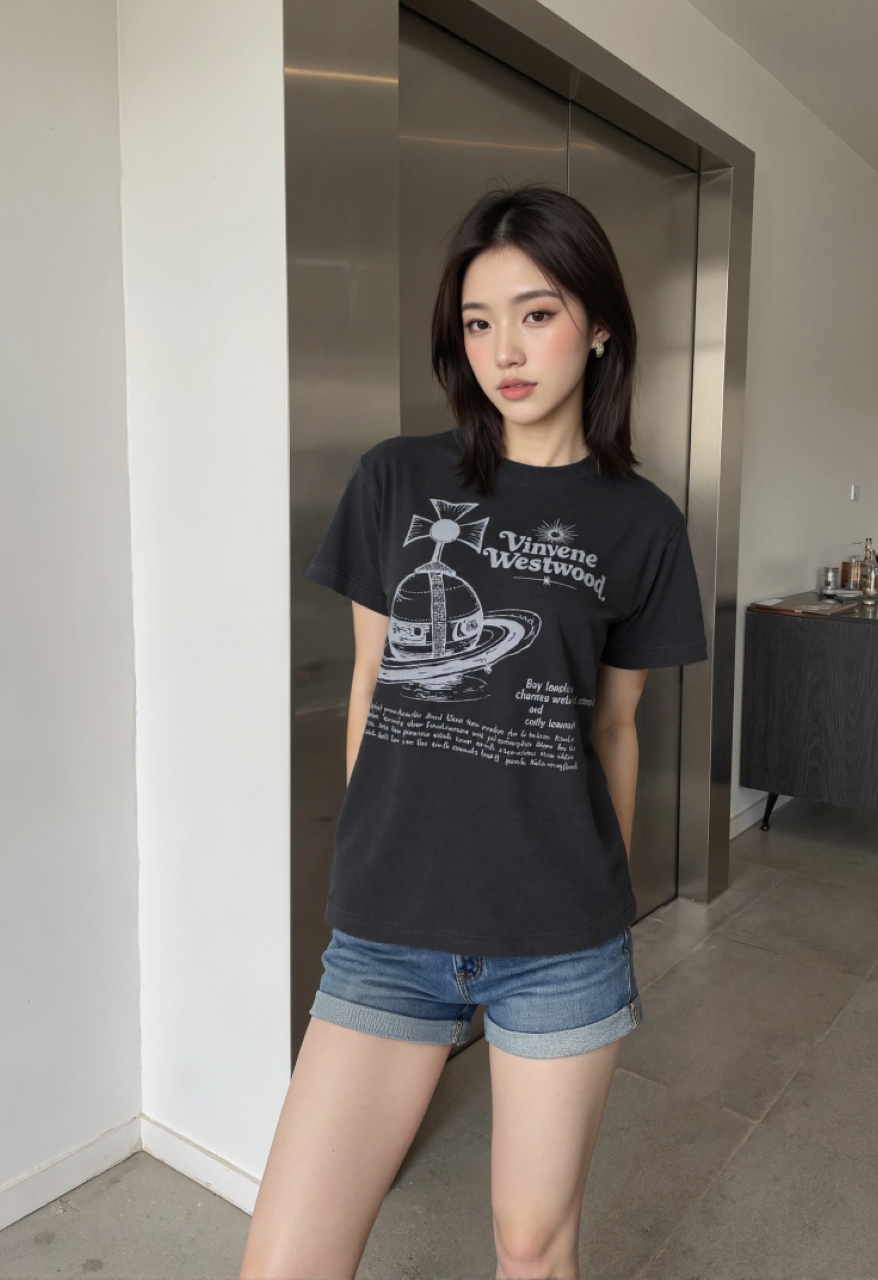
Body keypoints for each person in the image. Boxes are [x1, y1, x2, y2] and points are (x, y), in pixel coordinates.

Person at [240, 184, 707, 1280]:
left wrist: (596, 900)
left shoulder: (642, 523)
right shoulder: (396, 478)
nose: (504, 350)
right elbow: (372, 680)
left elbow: (615, 727)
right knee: (286, 1260)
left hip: (559, 936)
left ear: (599, 326)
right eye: (478, 320)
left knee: (531, 1246)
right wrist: (366, 860)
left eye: (537, 314)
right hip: (389, 924)